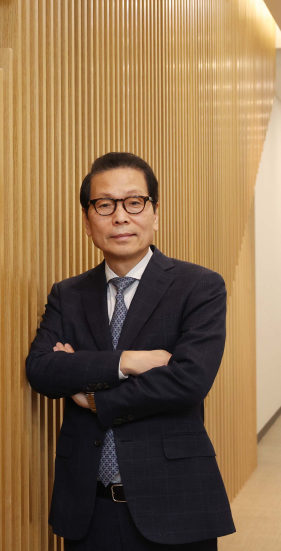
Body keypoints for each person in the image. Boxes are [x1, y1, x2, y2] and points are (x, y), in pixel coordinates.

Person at [25, 152, 235, 550]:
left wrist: (93, 399)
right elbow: (42, 369)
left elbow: (188, 381)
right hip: (88, 506)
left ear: (155, 214)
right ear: (88, 221)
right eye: (105, 205)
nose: (120, 217)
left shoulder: (199, 286)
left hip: (174, 501)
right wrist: (127, 362)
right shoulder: (68, 294)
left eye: (134, 203)